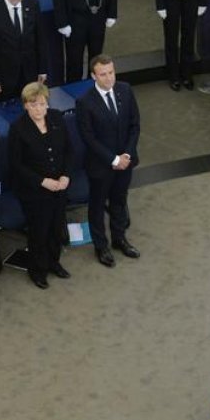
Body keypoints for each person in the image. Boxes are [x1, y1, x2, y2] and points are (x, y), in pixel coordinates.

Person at [76, 54, 141, 268]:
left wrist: (127, 156)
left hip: (125, 161)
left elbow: (134, 125)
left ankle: (119, 239)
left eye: (111, 72)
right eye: (103, 74)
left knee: (119, 201)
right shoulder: (85, 102)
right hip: (101, 166)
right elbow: (88, 138)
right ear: (94, 76)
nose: (109, 78)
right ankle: (101, 246)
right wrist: (113, 159)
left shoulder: (125, 90)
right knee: (96, 205)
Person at [8, 82, 73, 290]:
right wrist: (43, 181)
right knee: (39, 232)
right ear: (25, 105)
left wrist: (66, 176)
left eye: (42, 104)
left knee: (56, 227)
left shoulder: (56, 118)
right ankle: (38, 269)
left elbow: (69, 150)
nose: (39, 109)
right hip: (35, 191)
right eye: (33, 105)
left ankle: (54, 262)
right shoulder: (18, 128)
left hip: (59, 186)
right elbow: (16, 165)